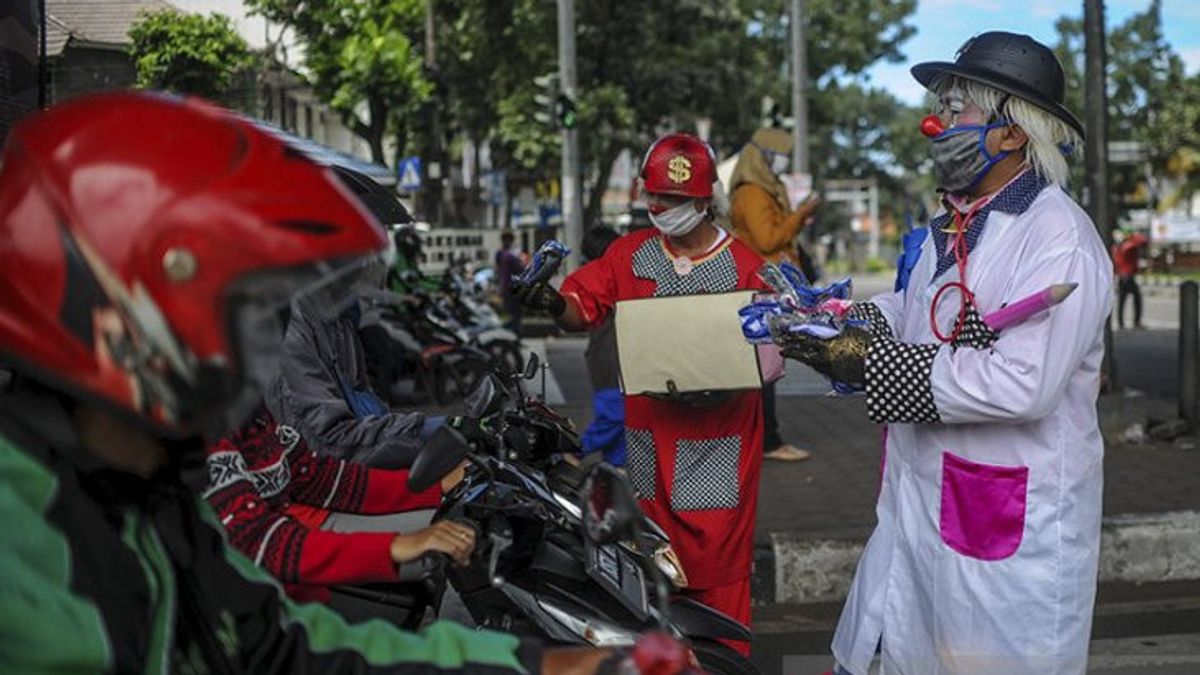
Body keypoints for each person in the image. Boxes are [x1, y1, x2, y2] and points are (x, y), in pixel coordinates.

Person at [0, 91, 636, 674]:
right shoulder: (24, 553)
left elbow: (278, 644)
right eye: (239, 309)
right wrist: (395, 544)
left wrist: (532, 666)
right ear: (115, 314)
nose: (258, 343)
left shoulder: (151, 492)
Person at [774, 33, 1111, 675]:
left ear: (1012, 134)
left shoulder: (1060, 240)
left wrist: (869, 364)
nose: (938, 124)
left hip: (1005, 532)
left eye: (957, 109)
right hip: (924, 498)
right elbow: (917, 310)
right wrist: (839, 325)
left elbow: (1023, 384)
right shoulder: (957, 222)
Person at [516, 133, 766, 656]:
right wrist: (547, 298)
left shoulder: (747, 266)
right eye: (653, 196)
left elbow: (770, 352)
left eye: (672, 200)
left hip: (719, 446)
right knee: (654, 575)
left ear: (702, 200)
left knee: (716, 579)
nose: (658, 208)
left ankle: (723, 666)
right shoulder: (628, 255)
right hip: (651, 450)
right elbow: (581, 305)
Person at [205, 406, 471, 602]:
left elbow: (317, 477)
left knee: (467, 521)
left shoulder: (251, 412)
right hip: (275, 606)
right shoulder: (205, 430)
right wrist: (396, 546)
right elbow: (255, 542)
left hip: (300, 578)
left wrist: (437, 486)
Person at [728, 127, 821, 463]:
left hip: (765, 288)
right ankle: (768, 440)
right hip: (760, 290)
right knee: (763, 370)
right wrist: (800, 215)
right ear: (763, 156)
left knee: (763, 369)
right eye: (780, 153)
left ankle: (763, 438)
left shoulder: (761, 190)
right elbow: (768, 241)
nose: (784, 161)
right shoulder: (752, 193)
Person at [579, 225, 626, 465]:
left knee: (624, 427)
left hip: (619, 353)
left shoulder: (601, 274)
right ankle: (571, 452)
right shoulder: (600, 276)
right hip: (611, 357)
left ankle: (612, 478)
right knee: (615, 414)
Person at [1112, 228, 1148, 329]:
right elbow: (1142, 241)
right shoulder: (1128, 246)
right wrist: (1133, 236)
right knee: (1136, 298)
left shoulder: (1117, 248)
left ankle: (1121, 323)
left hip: (1122, 276)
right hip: (1127, 276)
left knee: (1122, 300)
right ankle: (1136, 322)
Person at [495, 230, 526, 335]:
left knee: (511, 314)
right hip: (512, 289)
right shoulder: (511, 255)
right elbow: (521, 270)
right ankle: (514, 336)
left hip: (507, 289)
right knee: (514, 314)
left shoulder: (501, 254)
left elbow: (499, 272)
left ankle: (512, 336)